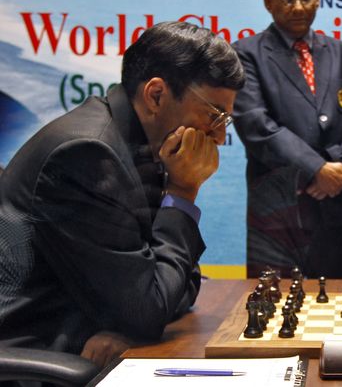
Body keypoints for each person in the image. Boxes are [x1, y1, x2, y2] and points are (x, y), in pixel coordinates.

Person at [0, 21, 245, 368]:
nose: (219, 137)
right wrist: (184, 191)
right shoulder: (88, 155)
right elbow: (152, 306)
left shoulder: (141, 144)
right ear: (156, 95)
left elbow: (180, 283)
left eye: (226, 120)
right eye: (213, 115)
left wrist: (142, 310)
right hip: (38, 355)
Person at [232, 0, 342, 279]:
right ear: (268, 2)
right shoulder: (246, 54)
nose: (297, 7)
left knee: (336, 305)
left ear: (318, 0)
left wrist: (335, 169)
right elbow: (256, 125)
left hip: (337, 204)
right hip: (278, 208)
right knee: (272, 309)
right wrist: (316, 168)